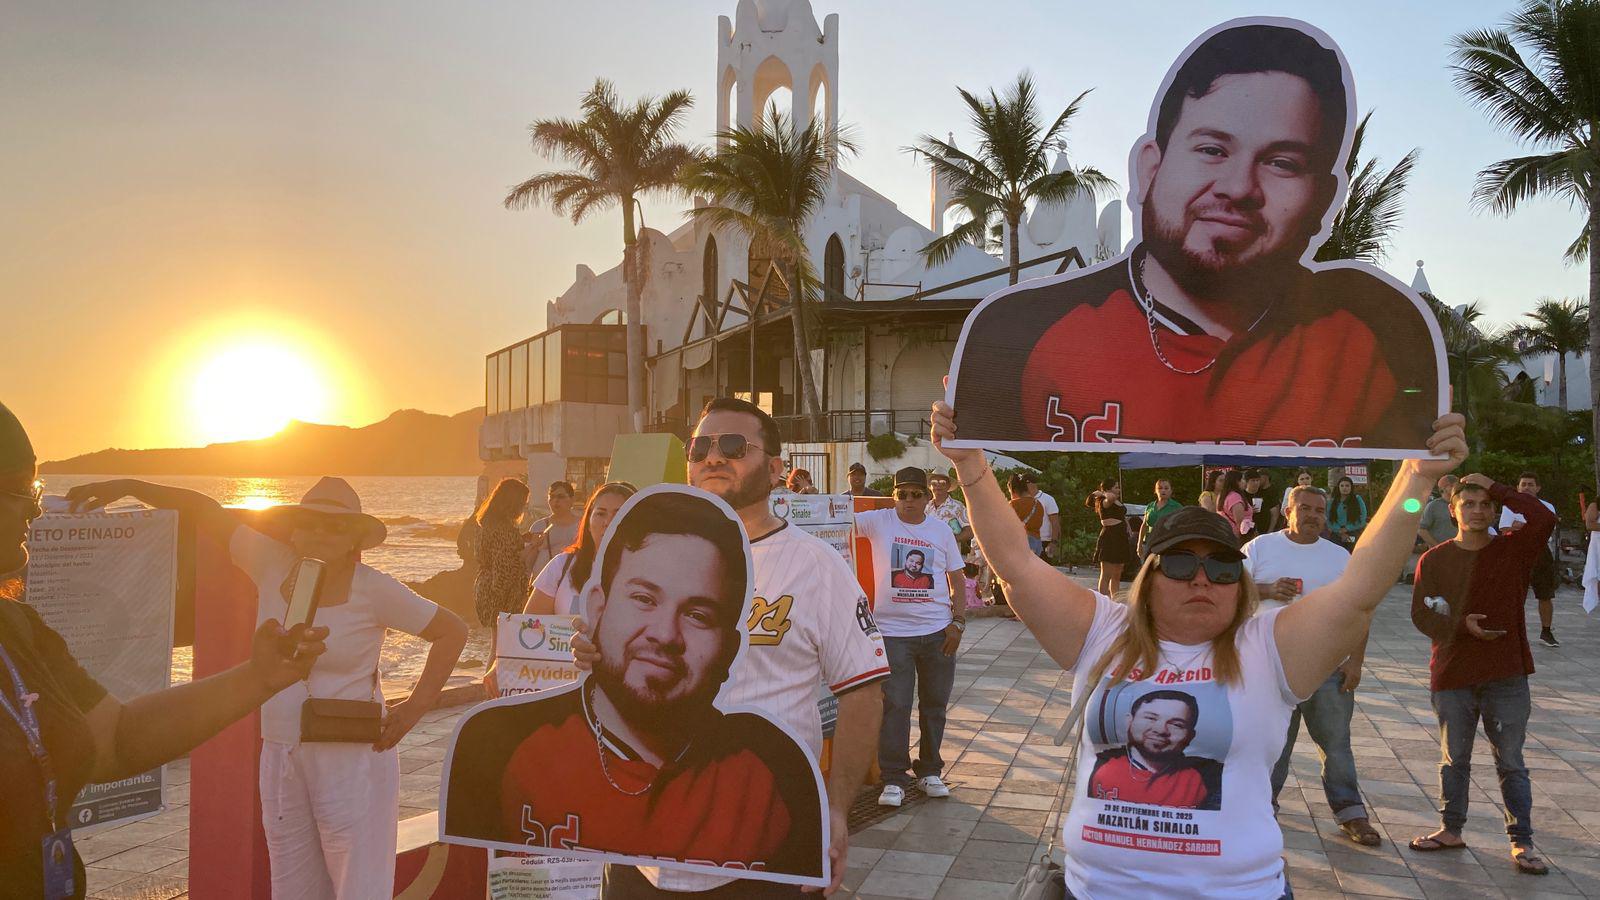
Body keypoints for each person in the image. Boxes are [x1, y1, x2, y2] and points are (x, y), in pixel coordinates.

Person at [931, 396, 1465, 899]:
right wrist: (970, 465)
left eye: (1223, 566)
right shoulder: (1104, 631)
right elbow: (1017, 566)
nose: (1202, 578)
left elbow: (1360, 589)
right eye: (1182, 563)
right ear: (1149, 577)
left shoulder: (1270, 648)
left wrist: (1416, 478)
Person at [948, 22, 1441, 451]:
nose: (1238, 188)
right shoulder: (1017, 333)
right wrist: (963, 461)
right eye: (1211, 150)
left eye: (1281, 163)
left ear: (1323, 197)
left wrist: (1425, 475)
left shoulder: (1379, 333)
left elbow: (1397, 491)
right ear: (1150, 169)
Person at [67, 475, 468, 900]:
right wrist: (131, 486)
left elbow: (452, 631)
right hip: (280, 753)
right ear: (293, 530)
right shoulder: (271, 563)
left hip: (351, 758)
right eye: (310, 523)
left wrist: (412, 710)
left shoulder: (375, 588)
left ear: (354, 537)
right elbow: (205, 511)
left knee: (359, 887)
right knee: (292, 886)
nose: (321, 533)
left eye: (336, 526)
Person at [0, 403, 329, 900]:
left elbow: (117, 739)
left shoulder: (20, 629)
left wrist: (258, 677)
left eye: (37, 490)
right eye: (21, 492)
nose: (36, 510)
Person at [576, 398, 888, 898]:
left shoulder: (815, 566)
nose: (713, 456)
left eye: (734, 445)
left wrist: (834, 811)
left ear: (776, 469)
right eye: (700, 446)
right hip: (640, 844)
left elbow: (864, 692)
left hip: (767, 845)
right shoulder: (645, 560)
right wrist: (592, 657)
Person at [444, 489, 824, 884]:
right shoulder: (497, 745)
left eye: (697, 615)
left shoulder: (773, 771)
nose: (665, 634)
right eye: (644, 598)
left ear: (729, 647)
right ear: (596, 608)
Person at [1408, 474, 1555, 876]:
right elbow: (1421, 615)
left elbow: (1543, 518)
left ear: (1494, 511)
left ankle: (1522, 841)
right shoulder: (1434, 559)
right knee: (1454, 759)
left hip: (1506, 673)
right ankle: (1451, 829)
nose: (1477, 511)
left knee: (1511, 761)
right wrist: (1461, 627)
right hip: (1453, 673)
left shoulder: (1514, 550)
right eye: (1468, 504)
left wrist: (1498, 487)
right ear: (1452, 510)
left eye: (1485, 504)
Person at [1244, 485, 1380, 846]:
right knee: (1272, 745)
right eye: (1304, 508)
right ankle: (1261, 810)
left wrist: (1356, 660)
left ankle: (1351, 812)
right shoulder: (1259, 547)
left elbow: (1361, 610)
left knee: (1336, 746)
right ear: (1288, 511)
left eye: (1319, 510)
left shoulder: (1340, 557)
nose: (1313, 516)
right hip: (1271, 667)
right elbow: (1230, 589)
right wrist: (1267, 590)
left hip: (1327, 669)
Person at [855, 467, 966, 809]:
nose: (908, 500)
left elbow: (957, 579)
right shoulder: (879, 521)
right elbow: (834, 520)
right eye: (901, 494)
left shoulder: (940, 530)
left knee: (934, 706)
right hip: (892, 634)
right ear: (894, 496)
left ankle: (930, 770)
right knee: (896, 706)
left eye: (915, 494)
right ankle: (894, 778)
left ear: (926, 497)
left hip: (937, 633)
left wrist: (958, 622)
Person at [1087, 689, 1221, 809]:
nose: (1160, 730)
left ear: (1190, 736)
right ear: (1129, 721)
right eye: (1151, 718)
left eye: (1176, 724)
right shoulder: (1099, 763)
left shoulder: (1209, 777)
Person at [525, 481, 637, 616]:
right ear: (588, 522)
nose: (608, 522)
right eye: (601, 514)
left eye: (619, 514)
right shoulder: (560, 566)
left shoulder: (650, 572)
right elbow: (530, 625)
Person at [1498, 472, 1560, 647]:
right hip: (1516, 552)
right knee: (1515, 593)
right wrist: (1518, 529)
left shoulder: (1547, 506)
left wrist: (1522, 528)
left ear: (1538, 488)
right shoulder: (1510, 506)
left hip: (1540, 551)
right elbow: (1504, 529)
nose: (1526, 488)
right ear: (1517, 488)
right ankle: (1512, 631)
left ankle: (1546, 631)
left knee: (1545, 593)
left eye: (1530, 484)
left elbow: (1546, 529)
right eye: (1523, 484)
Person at [474, 477, 530, 628]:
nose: (524, 507)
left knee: (496, 638)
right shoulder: (504, 530)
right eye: (523, 502)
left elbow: (493, 553)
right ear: (513, 503)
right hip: (499, 594)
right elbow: (504, 569)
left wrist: (520, 539)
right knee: (503, 639)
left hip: (485, 585)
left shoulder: (486, 524)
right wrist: (531, 548)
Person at [1086, 480, 1133, 598]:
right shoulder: (1104, 500)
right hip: (1110, 537)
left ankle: (1115, 600)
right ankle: (1104, 600)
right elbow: (1110, 498)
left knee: (1117, 573)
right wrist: (1102, 493)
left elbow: (1121, 515)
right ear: (1108, 489)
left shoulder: (1117, 501)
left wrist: (1128, 527)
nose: (1119, 489)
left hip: (1120, 537)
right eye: (1116, 487)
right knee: (1106, 574)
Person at [526, 480, 581, 580]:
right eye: (552, 497)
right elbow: (528, 562)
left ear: (572, 499)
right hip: (543, 583)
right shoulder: (539, 526)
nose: (556, 501)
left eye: (561, 497)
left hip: (572, 582)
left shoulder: (583, 526)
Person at [1139, 478, 1185, 557]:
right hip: (1149, 544)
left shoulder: (1177, 507)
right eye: (1160, 488)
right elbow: (1144, 526)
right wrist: (1139, 544)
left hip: (1167, 544)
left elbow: (1182, 526)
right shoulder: (1150, 506)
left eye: (1166, 488)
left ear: (1171, 491)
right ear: (1155, 490)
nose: (1163, 490)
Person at [1417, 475, 1459, 549]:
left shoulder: (1461, 505)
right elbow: (1421, 529)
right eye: (1452, 485)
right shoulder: (1433, 506)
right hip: (1440, 552)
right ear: (1444, 488)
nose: (1457, 488)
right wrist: (1438, 546)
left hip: (1460, 550)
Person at [1029, 474, 1062, 561]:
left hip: (1043, 541)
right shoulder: (1023, 499)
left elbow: (1055, 522)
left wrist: (1053, 542)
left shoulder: (1048, 499)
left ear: (1030, 483)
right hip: (1027, 541)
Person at [1329, 476, 1367, 551]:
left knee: (1352, 548)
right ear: (1338, 487)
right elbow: (1328, 519)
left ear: (1351, 487)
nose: (1344, 488)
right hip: (1337, 533)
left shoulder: (1357, 499)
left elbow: (1363, 518)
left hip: (1353, 532)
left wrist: (1347, 529)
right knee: (1335, 549)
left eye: (1347, 486)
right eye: (1342, 486)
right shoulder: (1332, 502)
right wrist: (1340, 532)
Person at [1219, 469, 1253, 539]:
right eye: (1243, 479)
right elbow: (1240, 522)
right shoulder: (1235, 497)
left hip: (1225, 533)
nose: (1245, 482)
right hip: (1237, 536)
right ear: (1237, 482)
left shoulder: (1222, 495)